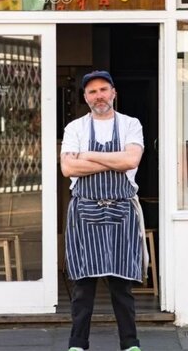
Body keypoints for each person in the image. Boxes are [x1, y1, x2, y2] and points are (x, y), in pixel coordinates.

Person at [61, 70, 148, 351]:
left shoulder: (130, 124)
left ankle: (130, 343)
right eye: (92, 92)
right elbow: (68, 168)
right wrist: (115, 159)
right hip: (85, 210)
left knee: (121, 284)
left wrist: (87, 155)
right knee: (84, 284)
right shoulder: (74, 128)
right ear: (85, 98)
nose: (98, 96)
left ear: (113, 93)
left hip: (122, 210)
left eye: (103, 90)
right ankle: (77, 344)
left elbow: (132, 160)